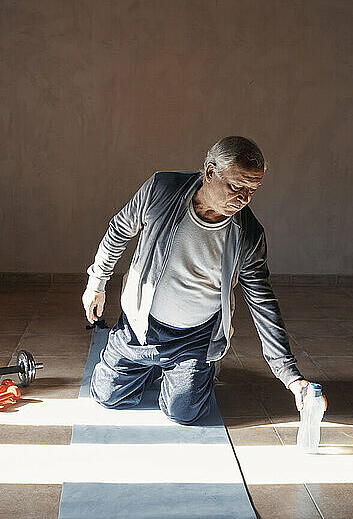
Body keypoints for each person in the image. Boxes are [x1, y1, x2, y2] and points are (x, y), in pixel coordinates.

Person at [82, 136, 323, 425]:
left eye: (252, 190)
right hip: (139, 326)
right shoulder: (162, 189)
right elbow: (119, 230)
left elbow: (263, 302)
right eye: (237, 186)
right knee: (107, 396)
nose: (244, 198)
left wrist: (290, 376)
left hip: (194, 338)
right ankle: (149, 365)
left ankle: (196, 367)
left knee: (184, 413)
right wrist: (97, 282)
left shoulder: (248, 233)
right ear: (210, 172)